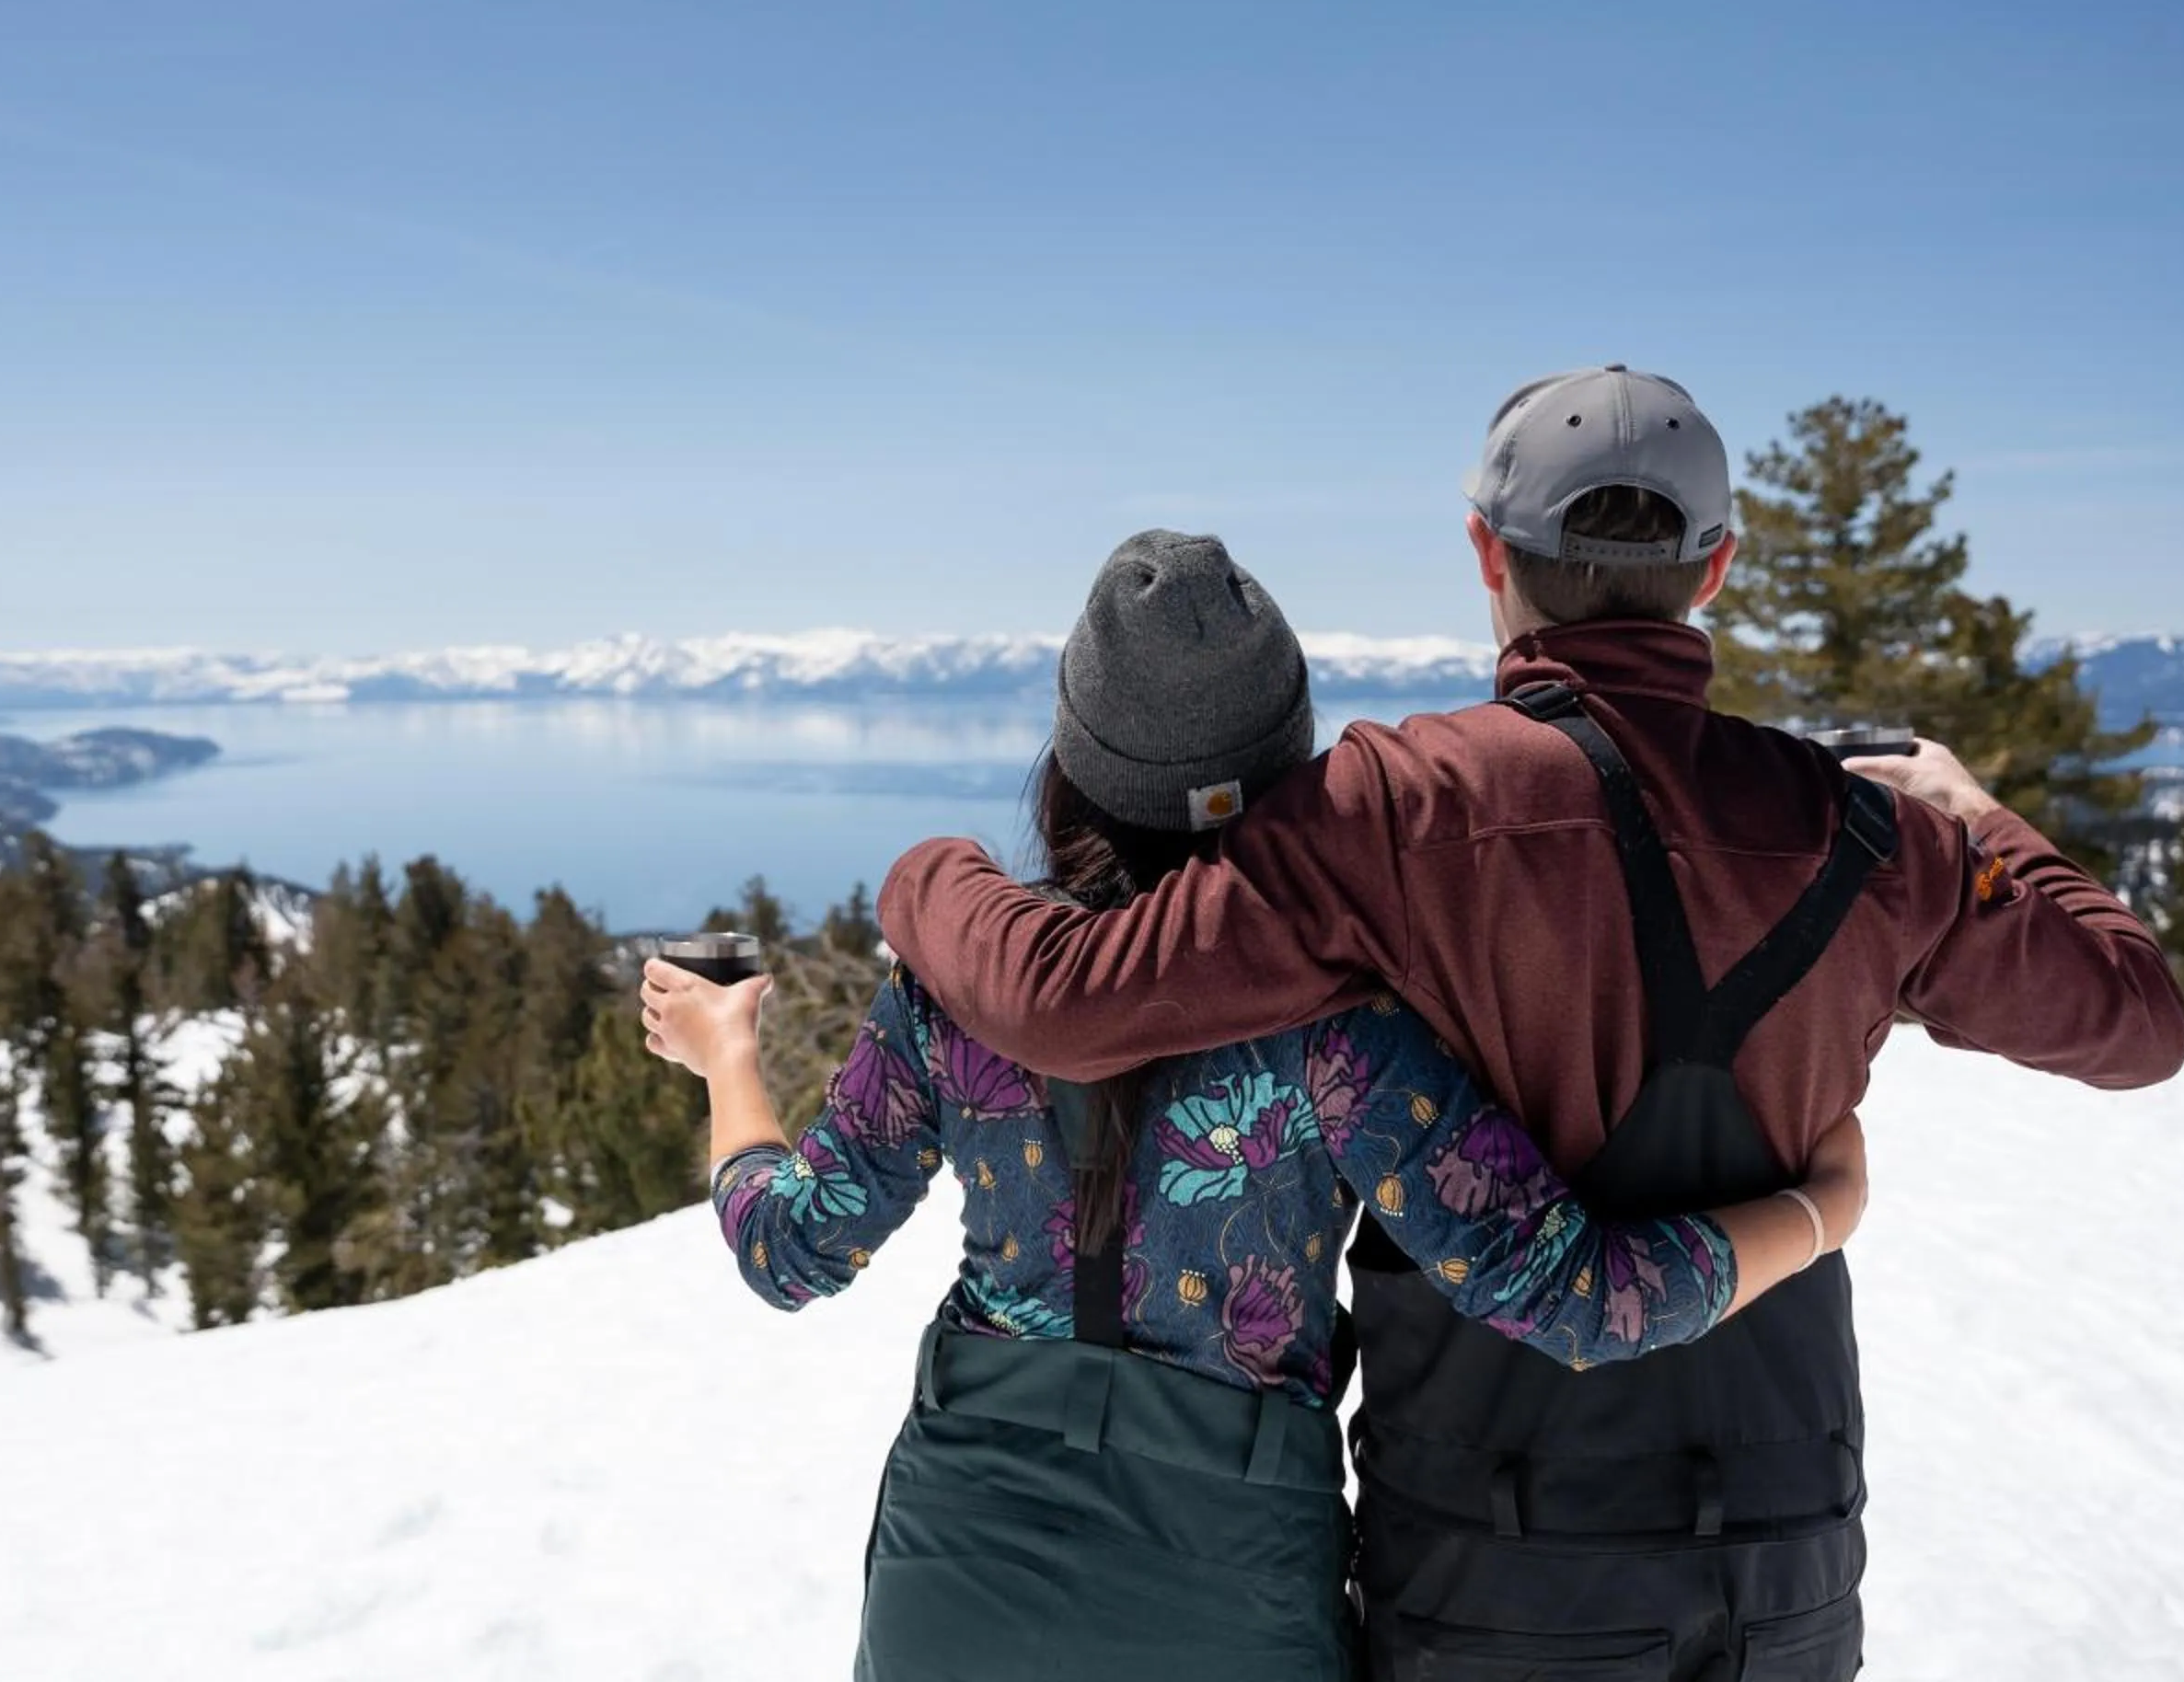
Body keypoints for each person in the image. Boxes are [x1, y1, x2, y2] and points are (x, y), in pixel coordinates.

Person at [875, 368, 2184, 1680]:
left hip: (1491, 1544)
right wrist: (1979, 821)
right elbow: (2137, 1020)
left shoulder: (1394, 811)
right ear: (1716, 567)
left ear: (1486, 554)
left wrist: (927, 876)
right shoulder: (1871, 837)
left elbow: (1070, 1000)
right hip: (1787, 1527)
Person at [642, 530, 1872, 1682]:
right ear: (1292, 774)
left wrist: (727, 1058)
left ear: (1073, 767)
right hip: (1232, 1575)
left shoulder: (958, 991)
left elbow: (788, 1250)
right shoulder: (1345, 1028)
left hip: (956, 1554)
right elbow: (1584, 1299)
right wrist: (1821, 1210)